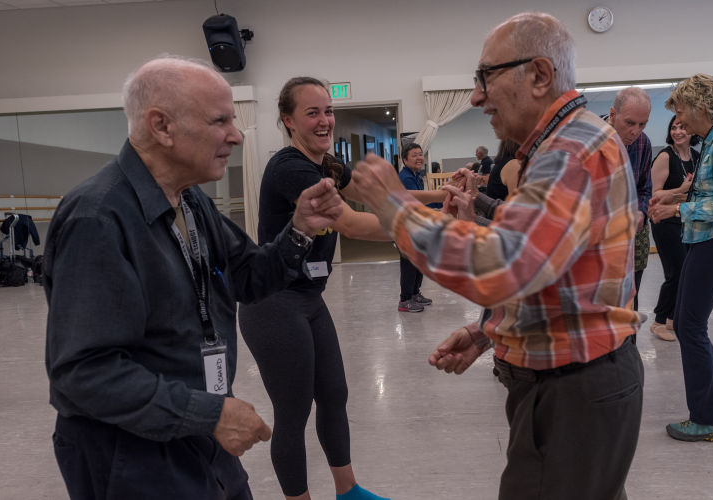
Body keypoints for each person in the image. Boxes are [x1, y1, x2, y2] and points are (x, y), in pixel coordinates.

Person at [352, 12, 644, 499]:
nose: (476, 96)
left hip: (573, 391)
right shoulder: (562, 143)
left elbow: (505, 267)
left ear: (539, 75)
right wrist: (489, 332)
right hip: (572, 384)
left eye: (485, 76)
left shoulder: (569, 151)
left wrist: (393, 207)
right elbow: (551, 269)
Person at [43, 57, 344, 499]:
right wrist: (209, 414)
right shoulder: (98, 218)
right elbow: (83, 373)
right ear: (161, 126)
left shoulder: (191, 202)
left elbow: (251, 276)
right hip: (131, 455)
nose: (236, 136)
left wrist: (300, 228)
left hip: (199, 432)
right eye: (219, 120)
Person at [237, 76, 391, 500]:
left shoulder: (325, 166)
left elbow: (378, 199)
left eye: (328, 111)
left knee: (335, 393)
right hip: (272, 301)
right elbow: (353, 222)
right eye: (312, 112)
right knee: (294, 411)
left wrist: (441, 202)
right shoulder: (290, 169)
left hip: (307, 297)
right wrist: (426, 231)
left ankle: (348, 491)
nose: (325, 120)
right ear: (288, 120)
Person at [649, 73, 713, 443]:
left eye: (682, 113)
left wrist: (677, 212)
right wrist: (674, 199)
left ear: (700, 107)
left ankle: (707, 420)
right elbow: (708, 192)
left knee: (688, 326)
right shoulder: (712, 140)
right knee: (692, 324)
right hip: (708, 237)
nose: (681, 121)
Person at [648, 116, 698, 341]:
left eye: (683, 127)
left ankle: (671, 319)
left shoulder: (696, 157)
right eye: (674, 127)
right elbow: (654, 195)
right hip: (665, 221)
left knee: (687, 272)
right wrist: (681, 190)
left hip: (687, 219)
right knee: (675, 272)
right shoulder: (665, 157)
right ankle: (659, 321)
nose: (678, 132)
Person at [604, 87, 653, 311]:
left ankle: (628, 344)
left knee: (629, 303)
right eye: (630, 123)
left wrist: (641, 212)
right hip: (597, 243)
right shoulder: (589, 140)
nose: (636, 131)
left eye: (642, 124)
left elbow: (645, 188)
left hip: (630, 238)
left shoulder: (643, 144)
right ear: (613, 114)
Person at [396, 142, 435, 312]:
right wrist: (443, 199)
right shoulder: (405, 178)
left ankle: (415, 293)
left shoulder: (416, 176)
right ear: (405, 160)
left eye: (421, 154)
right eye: (414, 155)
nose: (420, 157)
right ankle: (405, 300)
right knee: (409, 263)